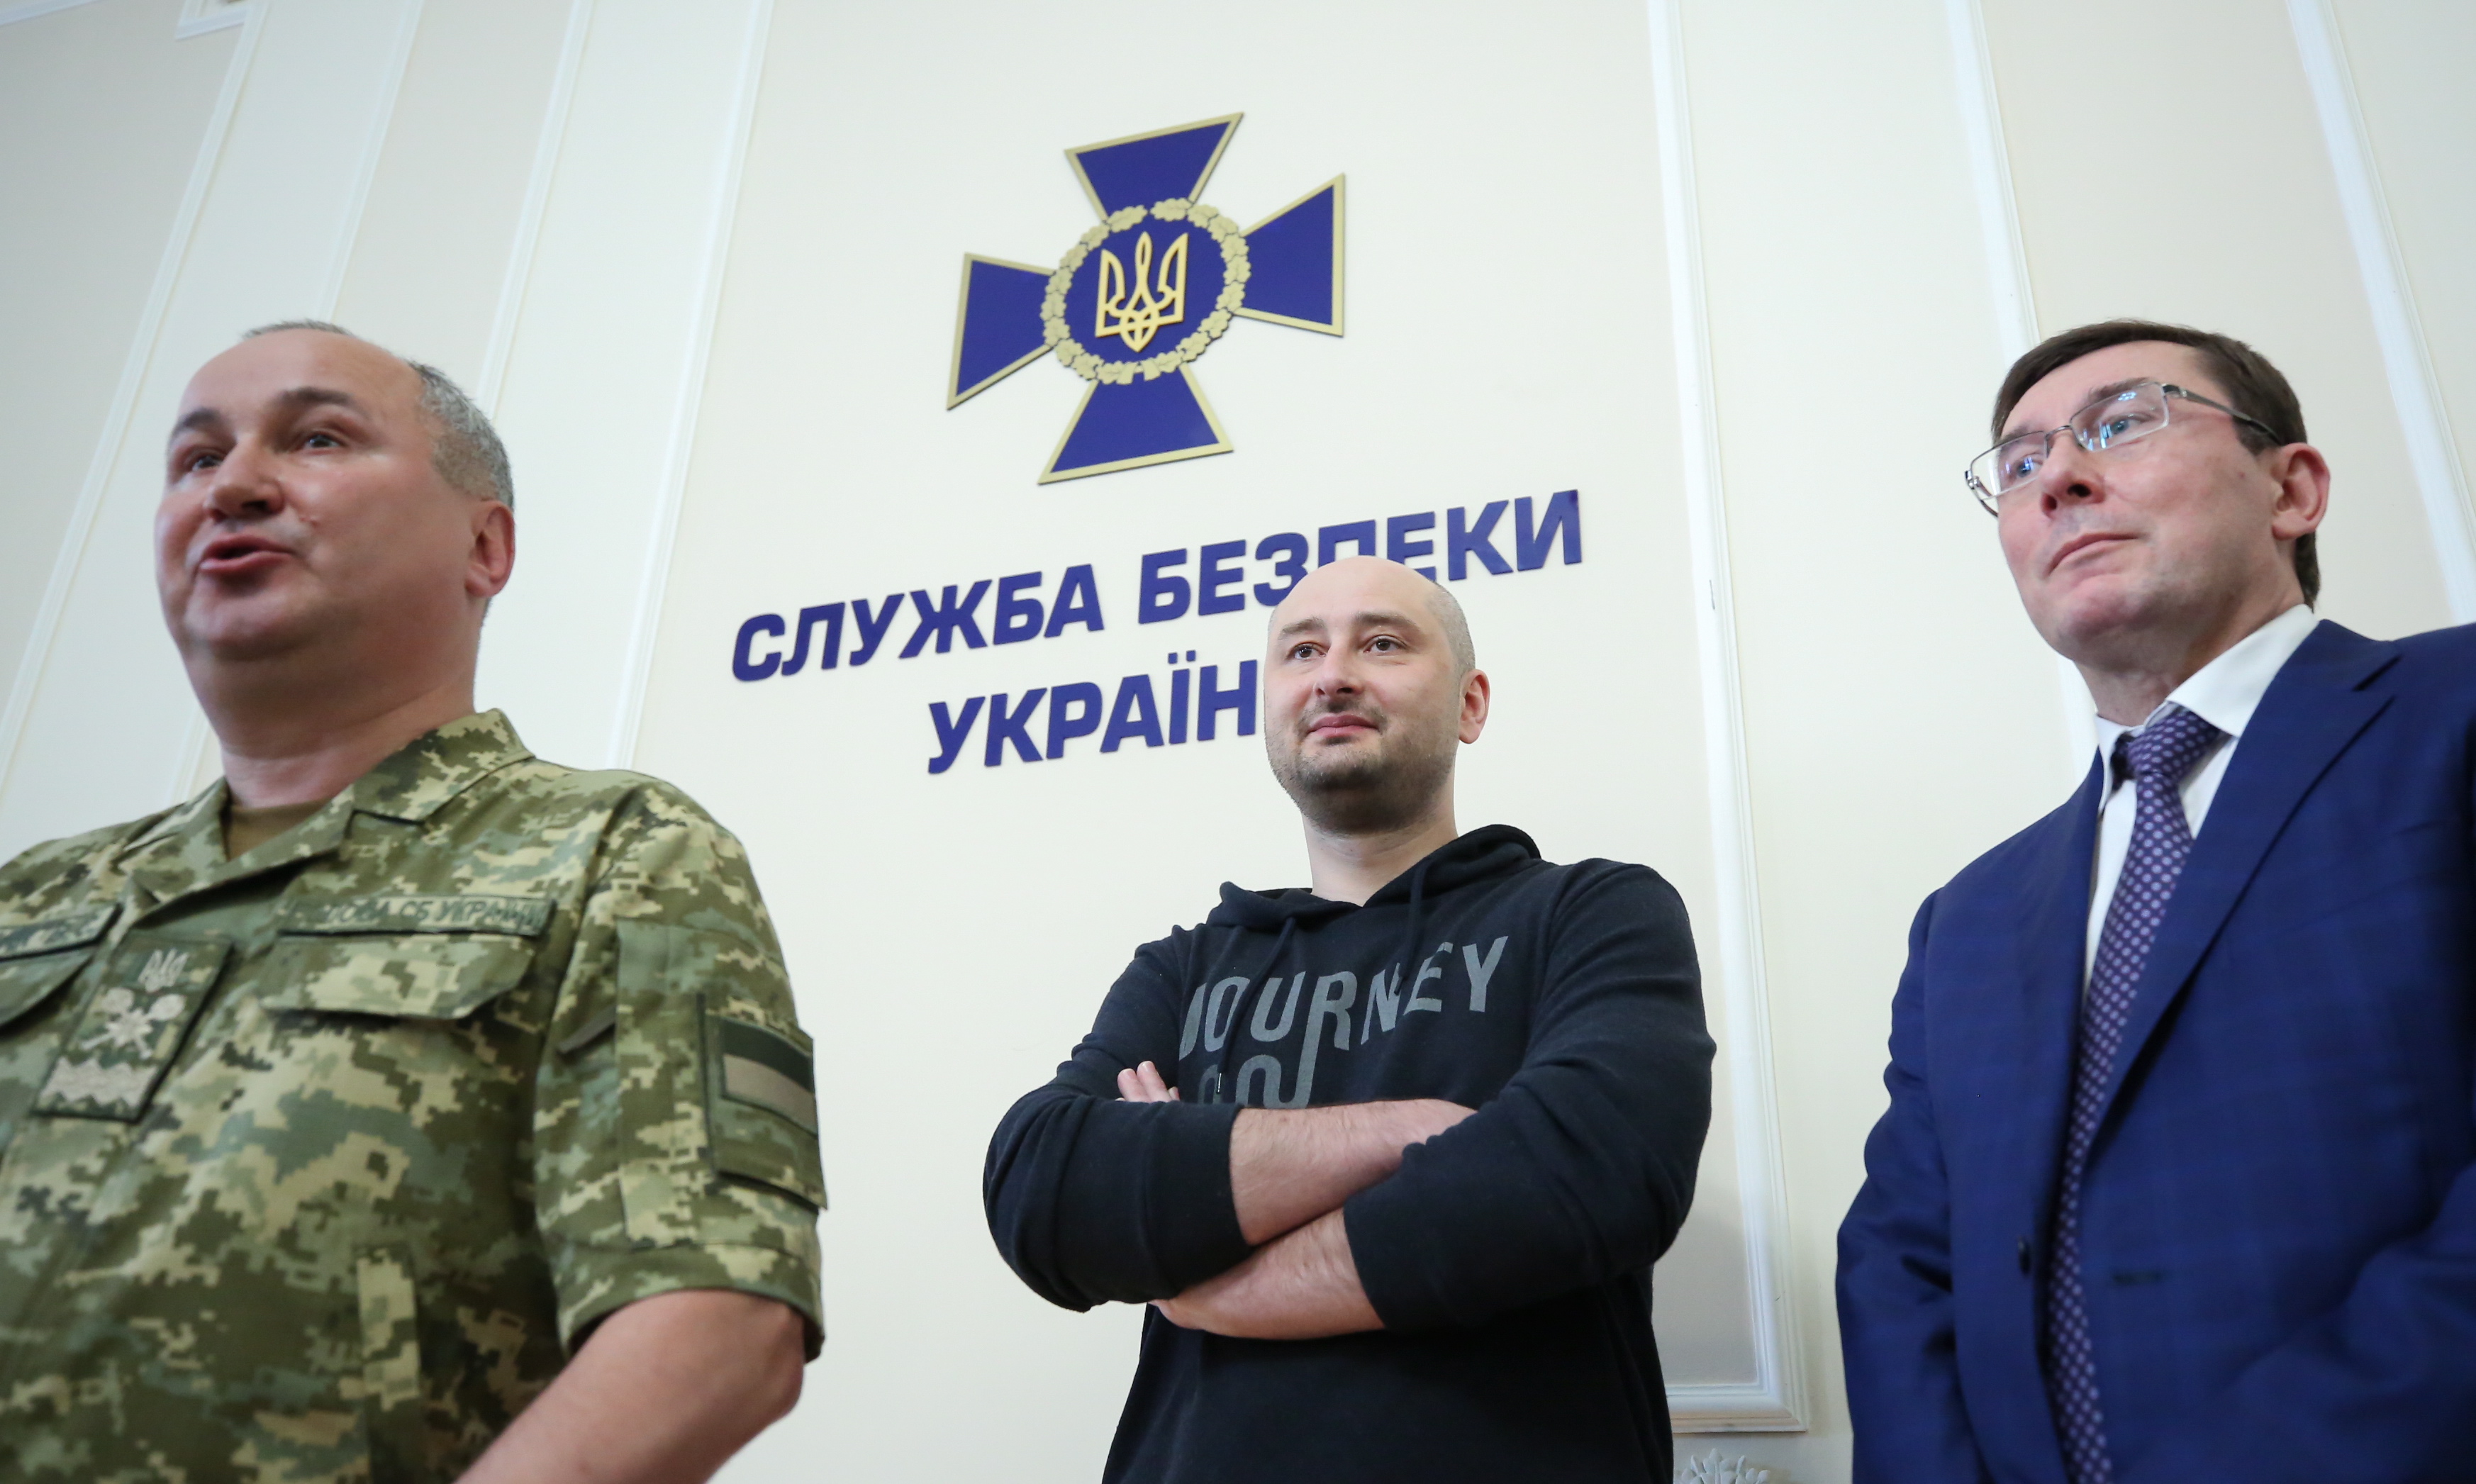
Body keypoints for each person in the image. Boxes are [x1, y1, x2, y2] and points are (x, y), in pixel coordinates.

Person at [0, 323, 824, 1481]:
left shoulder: (608, 854)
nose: (232, 484)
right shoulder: (31, 898)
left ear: (484, 546)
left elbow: (717, 1324)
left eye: (317, 437)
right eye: (194, 459)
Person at [1837, 319, 2476, 1483]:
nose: (2060, 478)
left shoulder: (2455, 712)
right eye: (2020, 463)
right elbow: (1902, 1263)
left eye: (2122, 422)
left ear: (2293, 488)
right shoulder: (1969, 917)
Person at [983, 554, 1714, 1483]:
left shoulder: (1593, 913)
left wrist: (1207, 1245)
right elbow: (1042, 1190)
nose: (1332, 673)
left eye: (1381, 642)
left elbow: (1590, 1170)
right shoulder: (1188, 965)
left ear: (1470, 703)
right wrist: (1416, 1132)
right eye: (1301, 650)